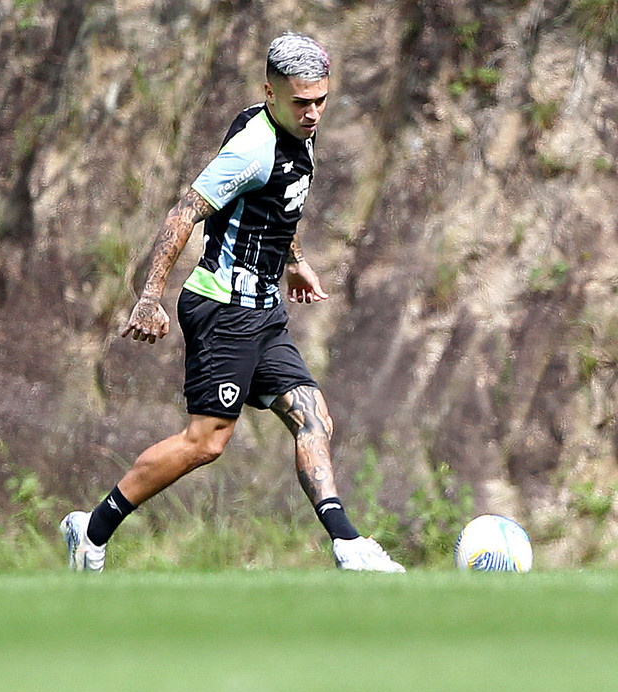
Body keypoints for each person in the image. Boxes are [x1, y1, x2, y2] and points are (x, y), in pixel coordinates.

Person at [60, 32, 405, 574]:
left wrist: (293, 259)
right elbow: (184, 213)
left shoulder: (294, 131)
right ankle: (92, 529)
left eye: (321, 100)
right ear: (270, 93)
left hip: (264, 310)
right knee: (205, 442)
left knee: (313, 417)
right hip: (223, 309)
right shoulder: (252, 148)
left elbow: (275, 205)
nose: (313, 113)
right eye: (301, 102)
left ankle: (347, 545)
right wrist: (150, 297)